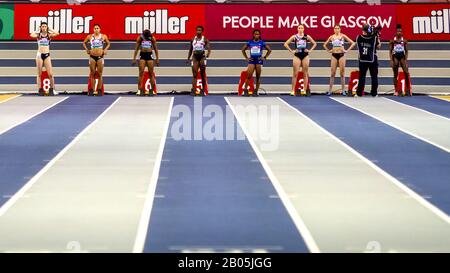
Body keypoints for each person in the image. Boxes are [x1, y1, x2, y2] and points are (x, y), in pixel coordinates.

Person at [284, 24, 317, 96]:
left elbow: (314, 43)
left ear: (304, 29)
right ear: (297, 29)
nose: (300, 29)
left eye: (302, 28)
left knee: (305, 73)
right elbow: (286, 44)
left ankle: (304, 90)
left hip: (305, 55)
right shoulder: (294, 36)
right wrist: (292, 51)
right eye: (299, 28)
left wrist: (309, 50)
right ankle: (292, 90)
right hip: (297, 55)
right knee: (295, 74)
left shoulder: (306, 36)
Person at [323, 25, 355, 96]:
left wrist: (346, 50)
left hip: (341, 55)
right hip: (334, 55)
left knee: (342, 73)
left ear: (340, 29)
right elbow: (324, 45)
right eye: (335, 28)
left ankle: (343, 90)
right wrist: (329, 50)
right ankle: (330, 90)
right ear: (333, 29)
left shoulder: (343, 36)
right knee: (332, 73)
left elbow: (353, 43)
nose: (336, 30)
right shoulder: (331, 37)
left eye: (338, 28)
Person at [30, 22, 59, 96]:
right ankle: (40, 90)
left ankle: (52, 90)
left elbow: (57, 33)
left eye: (45, 26)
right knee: (39, 74)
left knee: (51, 74)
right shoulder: (38, 35)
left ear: (47, 27)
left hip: (47, 55)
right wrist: (37, 29)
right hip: (39, 55)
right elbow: (31, 35)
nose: (44, 28)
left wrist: (50, 29)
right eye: (42, 26)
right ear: (41, 27)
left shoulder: (49, 35)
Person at [241, 29, 272, 97]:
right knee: (249, 76)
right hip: (252, 60)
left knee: (258, 77)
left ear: (259, 35)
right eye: (255, 34)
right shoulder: (250, 42)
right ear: (253, 35)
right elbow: (243, 50)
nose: (256, 35)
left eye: (258, 34)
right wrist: (247, 58)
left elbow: (269, 50)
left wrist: (264, 57)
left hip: (258, 61)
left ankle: (256, 91)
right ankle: (245, 90)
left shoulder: (262, 42)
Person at [83, 24, 110, 96]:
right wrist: (87, 50)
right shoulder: (89, 36)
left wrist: (105, 50)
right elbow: (84, 42)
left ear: (100, 29)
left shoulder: (103, 36)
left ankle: (99, 90)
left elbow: (108, 43)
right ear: (93, 29)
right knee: (92, 74)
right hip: (92, 56)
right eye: (95, 28)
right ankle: (92, 90)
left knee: (100, 74)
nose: (96, 29)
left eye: (97, 28)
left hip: (100, 56)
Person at [356, 24, 381, 97]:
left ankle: (359, 93)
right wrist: (377, 36)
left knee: (362, 77)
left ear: (363, 30)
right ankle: (374, 93)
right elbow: (379, 46)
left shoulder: (358, 38)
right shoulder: (374, 38)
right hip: (372, 60)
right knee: (374, 77)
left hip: (362, 59)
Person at [132, 29, 159, 96]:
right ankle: (139, 90)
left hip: (149, 55)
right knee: (141, 73)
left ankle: (152, 91)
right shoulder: (140, 38)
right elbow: (136, 49)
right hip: (142, 55)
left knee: (151, 73)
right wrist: (134, 58)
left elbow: (155, 49)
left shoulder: (152, 38)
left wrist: (157, 59)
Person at [187, 26, 211, 96]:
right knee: (194, 75)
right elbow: (190, 49)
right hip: (195, 57)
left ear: (202, 31)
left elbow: (209, 48)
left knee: (203, 74)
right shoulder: (192, 39)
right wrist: (188, 58)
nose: (198, 31)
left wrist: (208, 54)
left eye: (200, 30)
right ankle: (193, 91)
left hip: (202, 57)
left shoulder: (205, 39)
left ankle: (203, 91)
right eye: (197, 30)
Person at [389, 24, 411, 96]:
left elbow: (407, 51)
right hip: (395, 56)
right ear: (396, 32)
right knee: (395, 74)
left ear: (402, 33)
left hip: (402, 56)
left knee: (406, 72)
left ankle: (408, 89)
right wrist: (391, 60)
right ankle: (396, 90)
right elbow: (390, 51)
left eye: (400, 31)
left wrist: (406, 60)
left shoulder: (404, 41)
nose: (399, 32)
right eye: (398, 31)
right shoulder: (392, 41)